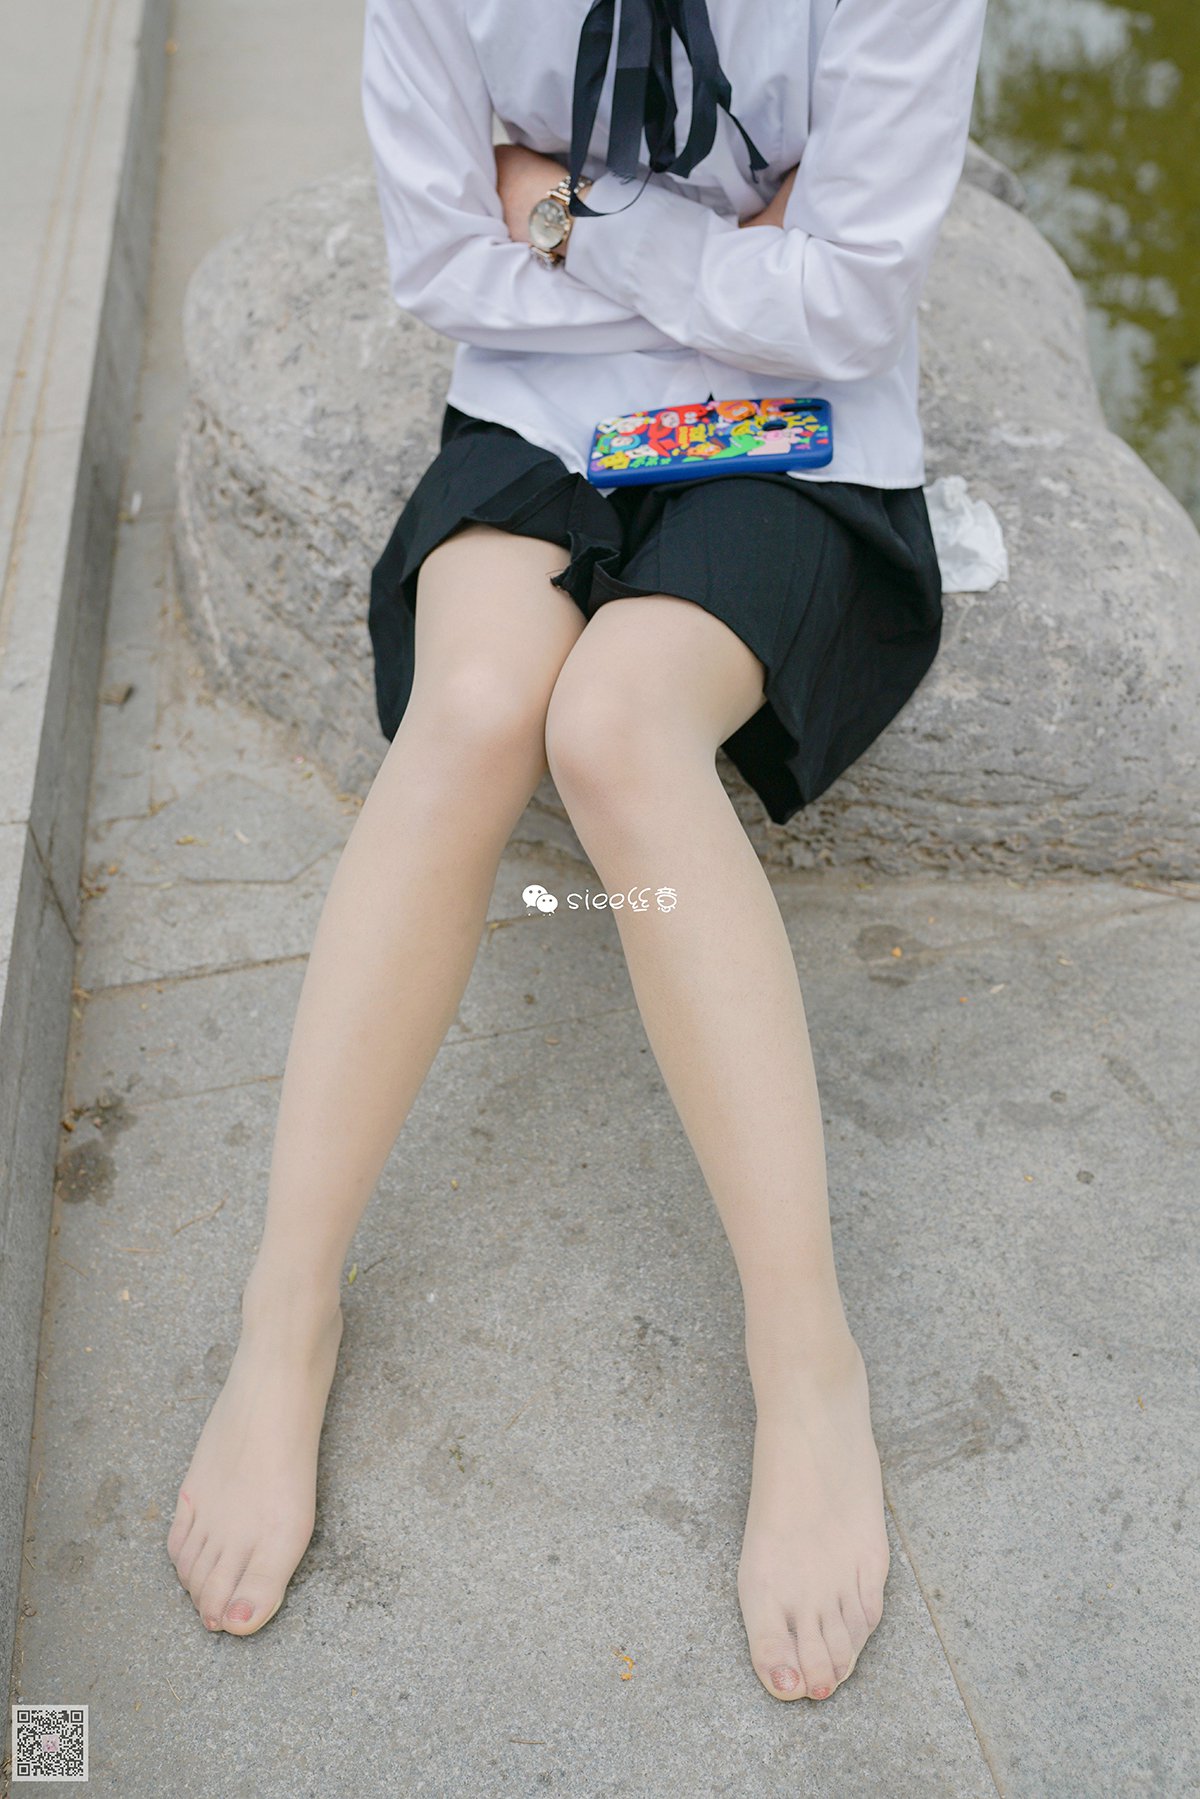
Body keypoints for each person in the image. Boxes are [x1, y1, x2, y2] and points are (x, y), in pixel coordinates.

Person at [166, 0, 989, 1704]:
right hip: (544, 406)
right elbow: (441, 265)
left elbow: (847, 307)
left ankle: (807, 1366)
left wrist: (568, 213)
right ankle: (285, 1313)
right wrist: (732, 258)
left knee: (615, 727)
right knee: (475, 706)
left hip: (806, 426)